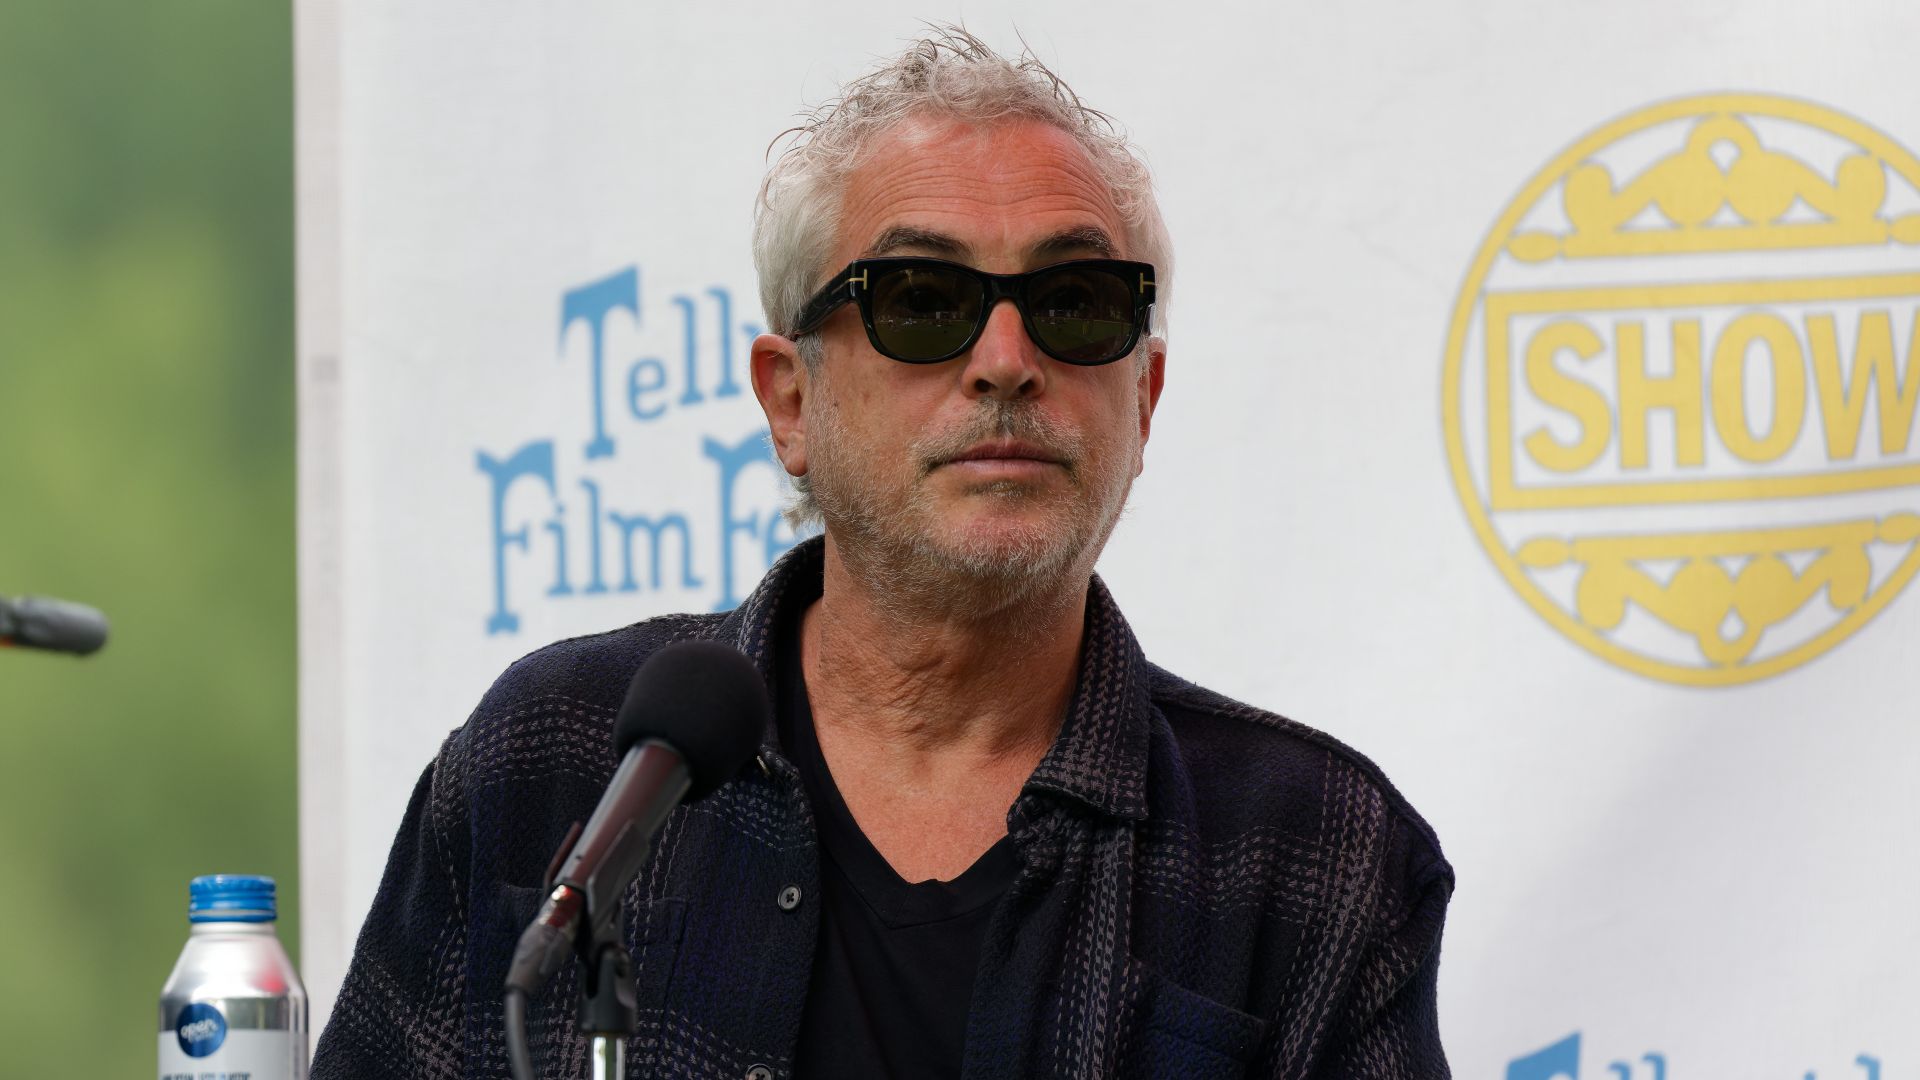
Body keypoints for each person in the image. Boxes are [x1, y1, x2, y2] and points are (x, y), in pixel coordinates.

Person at [312, 28, 1452, 1080]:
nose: (1006, 359)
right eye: (920, 300)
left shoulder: (1320, 849)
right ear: (790, 401)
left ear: (1143, 399)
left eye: (1075, 300)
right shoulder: (556, 760)